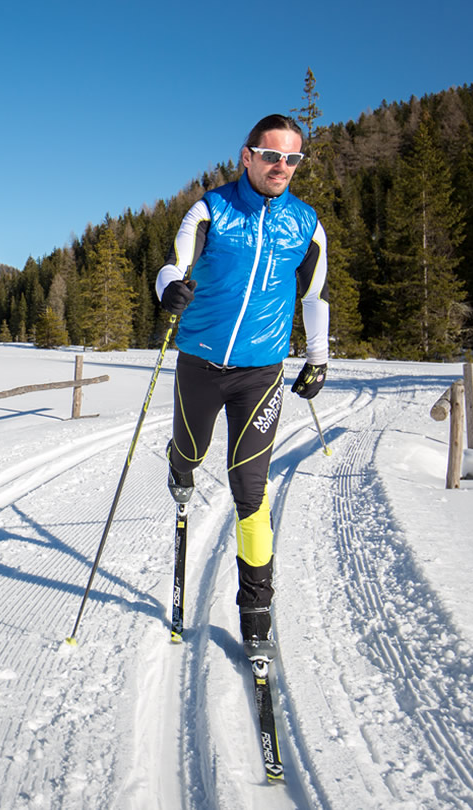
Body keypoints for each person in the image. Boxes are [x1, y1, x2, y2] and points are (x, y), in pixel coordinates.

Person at [155, 113, 329, 659]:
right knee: (191, 450)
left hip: (262, 372)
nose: (282, 167)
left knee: (251, 492)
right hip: (201, 363)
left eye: (292, 159)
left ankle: (256, 615)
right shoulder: (211, 210)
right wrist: (169, 291)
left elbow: (314, 297)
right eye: (272, 155)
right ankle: (179, 466)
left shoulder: (307, 224)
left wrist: (318, 357)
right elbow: (174, 264)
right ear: (247, 155)